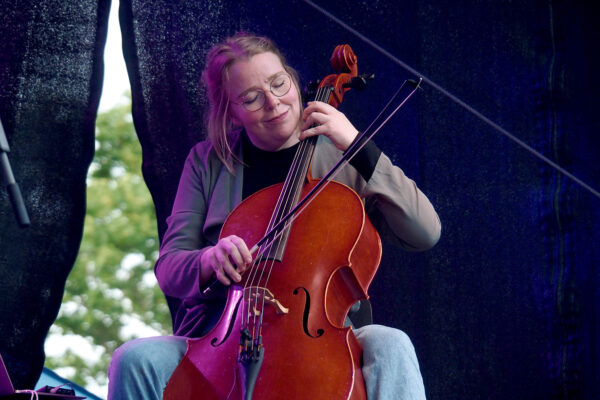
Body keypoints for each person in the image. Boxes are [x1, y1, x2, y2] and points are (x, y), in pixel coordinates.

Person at [107, 32, 441, 400]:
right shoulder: (207, 162)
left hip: (321, 332)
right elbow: (170, 269)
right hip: (221, 334)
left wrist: (359, 145)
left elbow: (425, 231)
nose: (273, 102)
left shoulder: (346, 156)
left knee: (391, 343)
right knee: (134, 358)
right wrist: (208, 258)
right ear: (231, 111)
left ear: (294, 80)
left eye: (279, 84)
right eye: (251, 98)